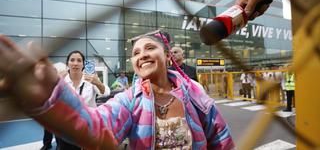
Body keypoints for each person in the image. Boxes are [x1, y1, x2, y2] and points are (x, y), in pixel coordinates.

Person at [0, 31, 234, 149]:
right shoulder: (130, 100)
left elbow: (221, 139)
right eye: (135, 53)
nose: (141, 55)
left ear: (167, 55)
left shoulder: (194, 93)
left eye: (150, 48)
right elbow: (95, 127)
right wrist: (51, 95)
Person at [55, 50, 109, 150]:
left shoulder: (90, 79)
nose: (75, 63)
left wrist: (97, 83)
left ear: (83, 64)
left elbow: (105, 92)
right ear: (67, 63)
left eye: (79, 60)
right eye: (72, 60)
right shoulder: (61, 80)